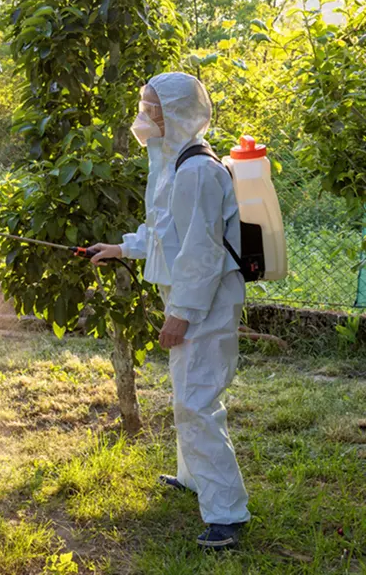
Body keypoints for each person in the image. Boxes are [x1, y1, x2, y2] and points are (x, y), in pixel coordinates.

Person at [87, 72, 250, 549]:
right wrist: (121, 248)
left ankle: (227, 514)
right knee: (187, 390)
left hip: (205, 302)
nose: (145, 113)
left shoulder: (197, 169)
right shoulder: (172, 161)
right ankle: (193, 477)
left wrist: (180, 313)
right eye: (143, 102)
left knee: (198, 401)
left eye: (152, 105)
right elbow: (165, 232)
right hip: (189, 296)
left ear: (177, 111)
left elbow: (201, 253)